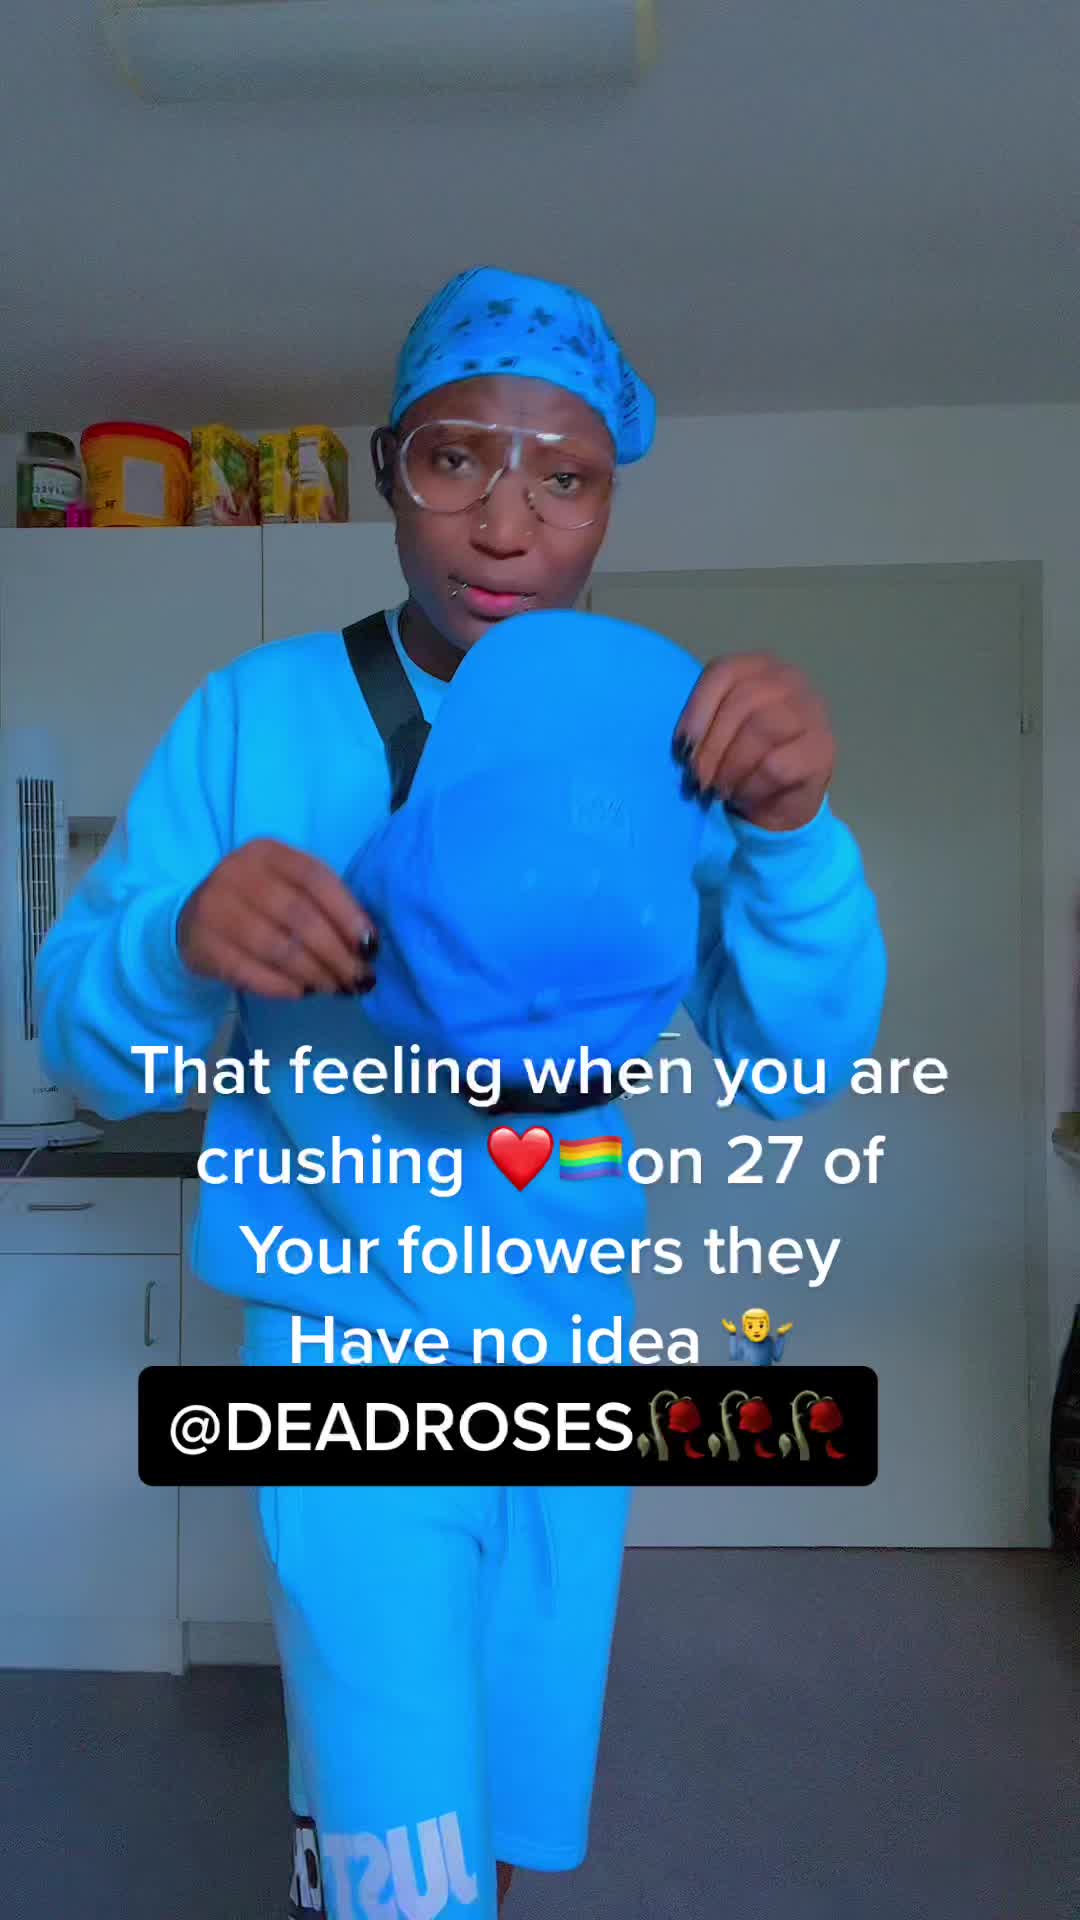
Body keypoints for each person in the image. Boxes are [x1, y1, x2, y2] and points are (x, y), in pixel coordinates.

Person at [34, 265, 887, 1920]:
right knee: (395, 1846)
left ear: (608, 503)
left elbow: (797, 1072)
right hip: (345, 1349)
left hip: (570, 1351)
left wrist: (794, 837)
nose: (505, 524)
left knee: (503, 1794)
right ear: (387, 470)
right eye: (455, 459)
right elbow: (90, 1045)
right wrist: (178, 939)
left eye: (564, 477)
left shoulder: (663, 733)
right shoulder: (257, 719)